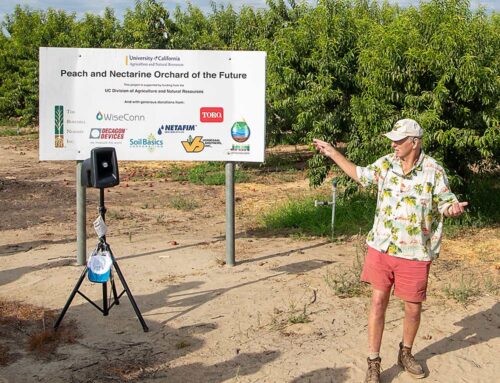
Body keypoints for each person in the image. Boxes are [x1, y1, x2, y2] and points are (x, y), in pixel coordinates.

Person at [312, 119, 468, 383]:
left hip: (416, 251)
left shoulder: (433, 170)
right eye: (393, 140)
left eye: (398, 140)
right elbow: (359, 174)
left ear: (414, 142)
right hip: (382, 246)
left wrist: (452, 209)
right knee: (377, 301)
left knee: (413, 308)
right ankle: (373, 361)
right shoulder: (386, 163)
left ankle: (405, 353)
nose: (393, 144)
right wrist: (333, 153)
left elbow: (445, 200)